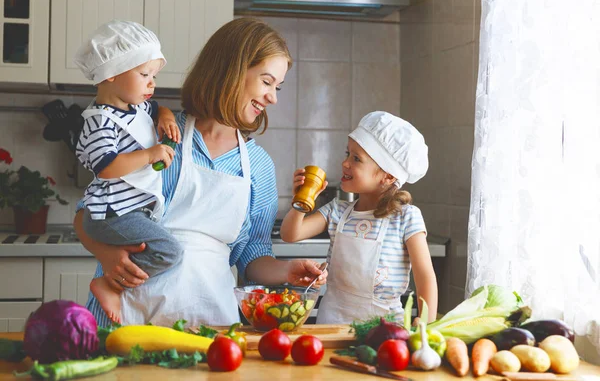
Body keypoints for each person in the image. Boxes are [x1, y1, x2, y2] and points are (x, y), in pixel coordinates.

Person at [73, 17, 328, 328]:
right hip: (122, 318)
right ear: (232, 71)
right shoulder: (158, 134)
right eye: (266, 81)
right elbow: (90, 210)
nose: (273, 97)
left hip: (210, 327)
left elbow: (253, 256)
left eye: (277, 86)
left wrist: (287, 271)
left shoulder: (259, 166)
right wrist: (105, 253)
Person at [73, 20, 184, 324]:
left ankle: (113, 281)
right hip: (110, 215)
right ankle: (108, 284)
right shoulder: (100, 121)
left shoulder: (135, 109)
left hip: (127, 213)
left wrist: (166, 115)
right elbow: (107, 167)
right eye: (144, 74)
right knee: (169, 251)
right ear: (110, 73)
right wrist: (149, 154)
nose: (152, 83)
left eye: (154, 76)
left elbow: (157, 107)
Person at [280, 111, 438, 325]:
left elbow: (424, 276)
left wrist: (426, 323)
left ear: (388, 176)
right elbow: (291, 234)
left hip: (385, 330)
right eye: (347, 154)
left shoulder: (406, 218)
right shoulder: (337, 210)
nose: (345, 163)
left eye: (356, 158)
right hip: (332, 322)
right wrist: (301, 200)